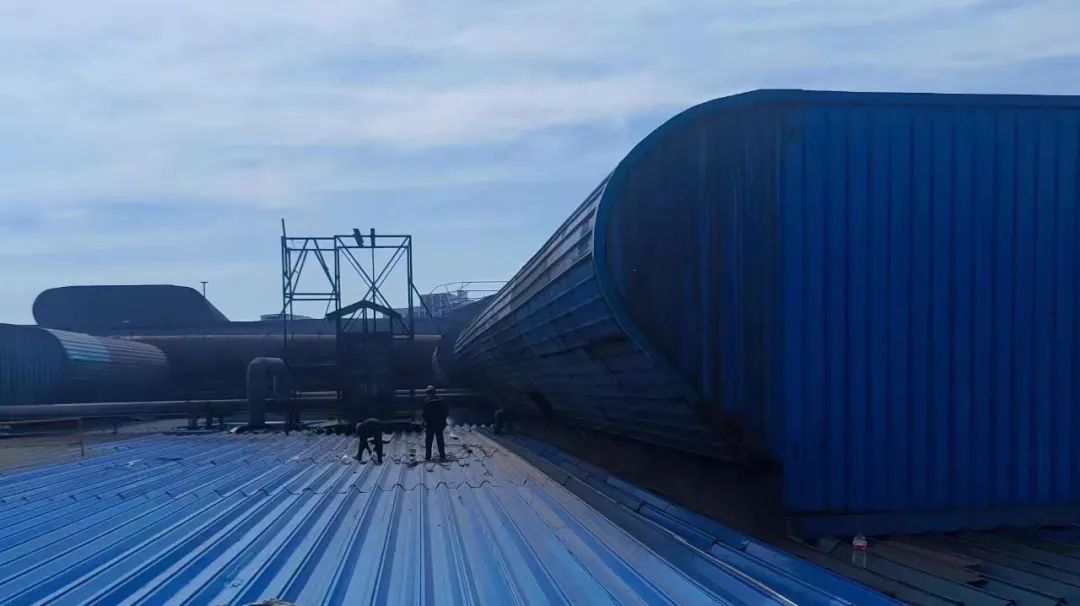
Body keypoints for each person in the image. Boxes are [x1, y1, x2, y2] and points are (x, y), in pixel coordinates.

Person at [422, 385, 448, 461]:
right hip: (438, 424)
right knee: (439, 441)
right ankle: (442, 456)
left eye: (429, 393)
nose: (429, 394)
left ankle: (428, 457)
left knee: (429, 441)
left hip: (431, 424)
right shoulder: (441, 401)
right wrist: (443, 421)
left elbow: (424, 414)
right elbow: (445, 413)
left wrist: (425, 422)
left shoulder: (427, 402)